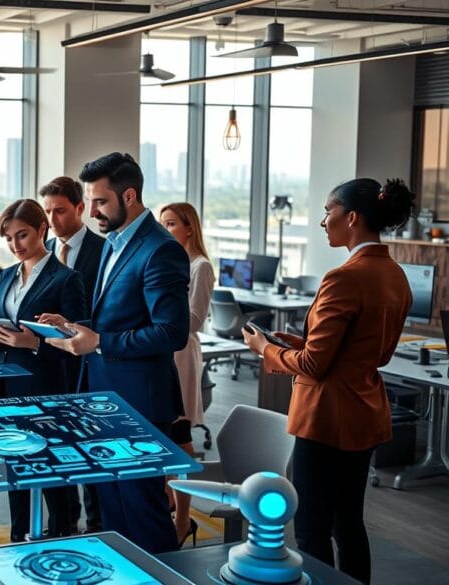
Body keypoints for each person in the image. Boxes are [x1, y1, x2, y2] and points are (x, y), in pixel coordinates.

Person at [242, 178, 415, 584]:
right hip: (365, 412)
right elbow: (370, 353)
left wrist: (265, 350)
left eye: (328, 212)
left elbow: (316, 367)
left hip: (325, 419)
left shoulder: (344, 277)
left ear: (351, 218)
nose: (323, 222)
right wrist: (299, 344)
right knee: (349, 524)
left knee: (312, 529)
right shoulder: (396, 275)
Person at [46, 152, 190, 554]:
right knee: (113, 517)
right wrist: (78, 327)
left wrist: (102, 342)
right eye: (89, 202)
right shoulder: (114, 242)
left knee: (144, 515)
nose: (91, 212)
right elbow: (116, 317)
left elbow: (172, 332)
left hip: (139, 403)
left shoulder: (161, 249)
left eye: (100, 202)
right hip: (104, 398)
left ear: (129, 196)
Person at [0, 198, 86, 542]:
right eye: (9, 239)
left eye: (22, 235)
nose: (15, 246)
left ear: (42, 229)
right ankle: (18, 538)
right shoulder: (6, 276)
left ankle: (62, 537)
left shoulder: (67, 279)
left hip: (48, 387)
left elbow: (78, 347)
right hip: (8, 386)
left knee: (53, 471)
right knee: (16, 470)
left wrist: (36, 344)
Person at [40, 175, 105, 534]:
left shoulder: (104, 249)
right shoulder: (43, 249)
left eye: (60, 211)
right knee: (57, 454)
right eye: (48, 211)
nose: (53, 219)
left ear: (80, 208)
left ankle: (96, 528)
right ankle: (63, 526)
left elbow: (107, 311)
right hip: (52, 367)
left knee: (91, 453)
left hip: (92, 365)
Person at [159, 202, 215, 546]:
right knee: (164, 432)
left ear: (189, 228)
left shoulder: (200, 266)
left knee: (180, 435)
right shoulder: (169, 262)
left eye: (170, 225)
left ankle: (182, 519)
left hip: (182, 355)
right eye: (162, 225)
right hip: (163, 353)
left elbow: (193, 321)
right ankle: (166, 504)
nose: (165, 231)